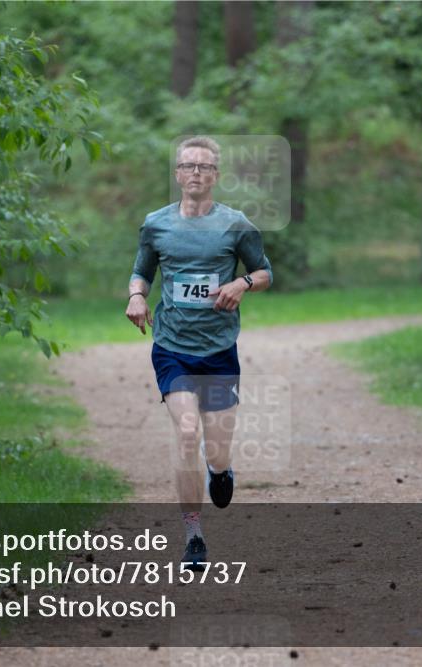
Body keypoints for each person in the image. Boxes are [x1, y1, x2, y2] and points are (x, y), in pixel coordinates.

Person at [125, 136, 273, 567]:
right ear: (177, 174)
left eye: (204, 167)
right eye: (188, 165)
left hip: (219, 350)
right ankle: (193, 535)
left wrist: (241, 284)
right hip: (172, 347)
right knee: (187, 433)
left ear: (215, 176)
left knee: (218, 449)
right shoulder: (156, 224)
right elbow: (141, 272)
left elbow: (264, 272)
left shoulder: (236, 225)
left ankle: (221, 471)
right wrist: (137, 297)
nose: (195, 173)